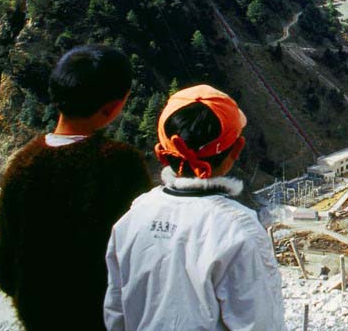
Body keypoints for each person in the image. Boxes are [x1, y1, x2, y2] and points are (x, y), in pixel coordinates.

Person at [0, 45, 152, 331]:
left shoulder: (22, 164)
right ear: (113, 107)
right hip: (106, 321)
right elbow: (146, 257)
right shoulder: (120, 165)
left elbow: (3, 265)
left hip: (40, 319)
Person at [105, 85, 285, 330]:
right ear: (237, 149)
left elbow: (116, 312)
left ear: (162, 154)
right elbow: (261, 324)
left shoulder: (133, 217)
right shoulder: (239, 229)